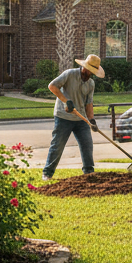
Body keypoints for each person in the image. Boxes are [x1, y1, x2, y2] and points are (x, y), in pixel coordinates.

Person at [40, 54, 104, 183]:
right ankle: (47, 173)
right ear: (83, 67)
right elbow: (52, 86)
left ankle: (89, 173)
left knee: (87, 144)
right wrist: (66, 101)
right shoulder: (69, 74)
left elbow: (89, 103)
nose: (89, 74)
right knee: (57, 145)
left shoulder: (90, 83)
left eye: (92, 72)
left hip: (81, 119)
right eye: (88, 71)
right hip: (63, 117)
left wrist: (92, 120)